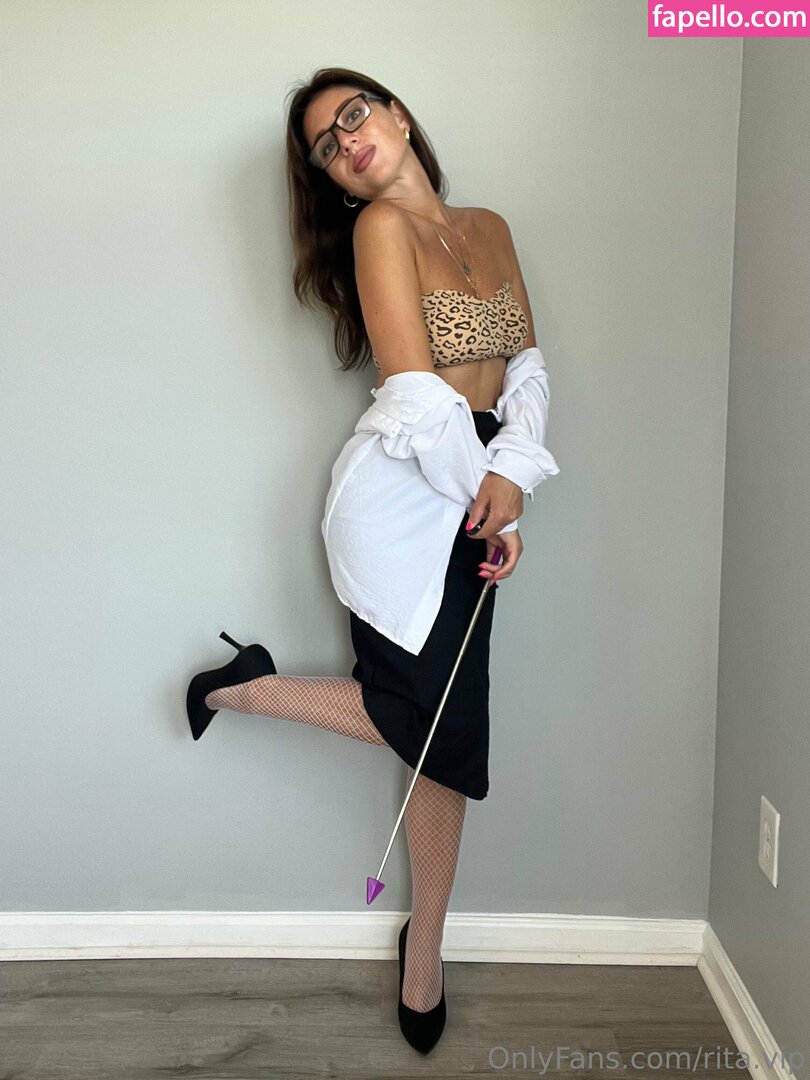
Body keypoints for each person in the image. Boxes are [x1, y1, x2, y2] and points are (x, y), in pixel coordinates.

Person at [185, 67, 559, 1056]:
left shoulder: (489, 227)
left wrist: (514, 477)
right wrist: (491, 497)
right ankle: (242, 690)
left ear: (395, 113)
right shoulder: (378, 230)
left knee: (448, 733)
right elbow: (419, 396)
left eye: (354, 116)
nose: (346, 140)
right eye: (326, 145)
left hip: (474, 480)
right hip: (406, 497)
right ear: (333, 178)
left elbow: (525, 369)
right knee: (431, 717)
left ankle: (423, 945)